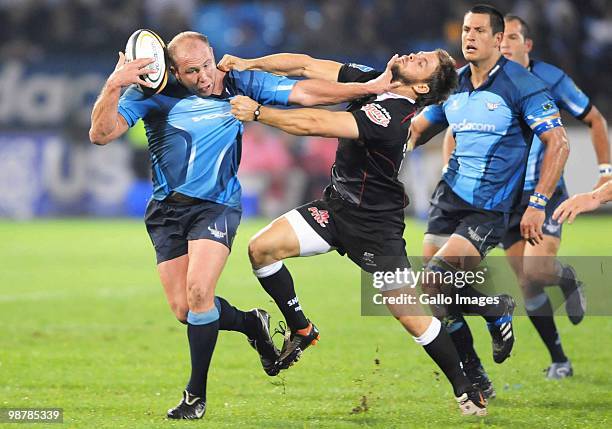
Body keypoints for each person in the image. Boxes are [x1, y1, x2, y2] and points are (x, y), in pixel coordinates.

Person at [88, 30, 399, 420]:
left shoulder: (236, 80)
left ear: (212, 55)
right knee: (185, 309)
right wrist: (114, 83)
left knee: (200, 291)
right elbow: (100, 134)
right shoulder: (151, 94)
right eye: (191, 71)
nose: (204, 77)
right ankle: (252, 322)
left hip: (217, 206)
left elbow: (305, 92)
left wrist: (367, 87)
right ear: (173, 70)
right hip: (167, 211)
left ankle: (194, 396)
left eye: (205, 65)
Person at [225, 48, 490, 416]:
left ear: (422, 86)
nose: (414, 55)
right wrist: (247, 62)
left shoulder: (394, 117)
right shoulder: (371, 81)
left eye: (422, 61)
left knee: (408, 313)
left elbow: (318, 125)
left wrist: (258, 113)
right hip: (335, 210)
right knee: (261, 249)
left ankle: (465, 386)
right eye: (420, 53)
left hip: (376, 229)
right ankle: (301, 329)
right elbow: (305, 65)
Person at [407, 5, 570, 399]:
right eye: (466, 29)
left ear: (498, 39)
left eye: (479, 30)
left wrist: (537, 202)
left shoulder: (522, 85)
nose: (470, 37)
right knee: (434, 295)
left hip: (491, 206)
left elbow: (558, 142)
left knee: (433, 280)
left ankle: (497, 313)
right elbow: (417, 130)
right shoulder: (453, 84)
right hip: (449, 198)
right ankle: (477, 368)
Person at [441, 14, 610, 383]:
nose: (505, 45)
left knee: (536, 271)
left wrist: (605, 175)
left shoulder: (546, 80)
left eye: (512, 38)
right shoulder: (474, 82)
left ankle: (566, 280)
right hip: (502, 199)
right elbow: (454, 131)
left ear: (525, 45)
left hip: (542, 193)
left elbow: (594, 119)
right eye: (502, 39)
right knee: (526, 281)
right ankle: (559, 359)